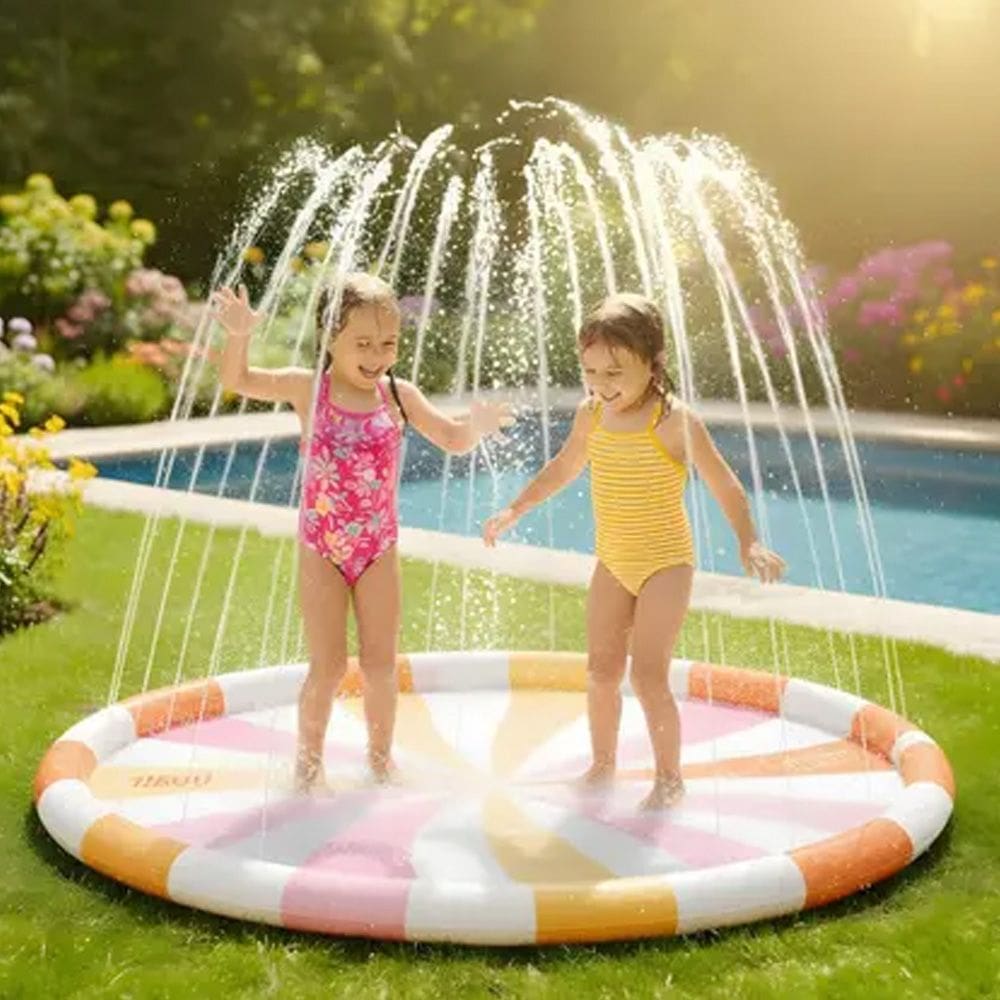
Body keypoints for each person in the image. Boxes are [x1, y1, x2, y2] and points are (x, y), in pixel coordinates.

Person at [483, 293, 785, 810]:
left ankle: (670, 778)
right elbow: (563, 467)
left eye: (615, 372)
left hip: (665, 564)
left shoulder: (671, 420)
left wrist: (748, 539)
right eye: (591, 372)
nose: (602, 385)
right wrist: (516, 508)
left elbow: (723, 483)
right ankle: (602, 765)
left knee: (647, 676)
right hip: (613, 562)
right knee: (600, 671)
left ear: (654, 362)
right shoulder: (592, 415)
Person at [212, 272, 512, 790]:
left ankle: (380, 760)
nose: (377, 356)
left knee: (379, 665)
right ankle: (307, 766)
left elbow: (452, 438)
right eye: (364, 344)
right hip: (321, 550)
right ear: (331, 337)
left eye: (389, 343)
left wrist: (475, 428)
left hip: (378, 549)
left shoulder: (400, 395)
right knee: (327, 667)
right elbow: (239, 382)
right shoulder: (309, 389)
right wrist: (239, 336)